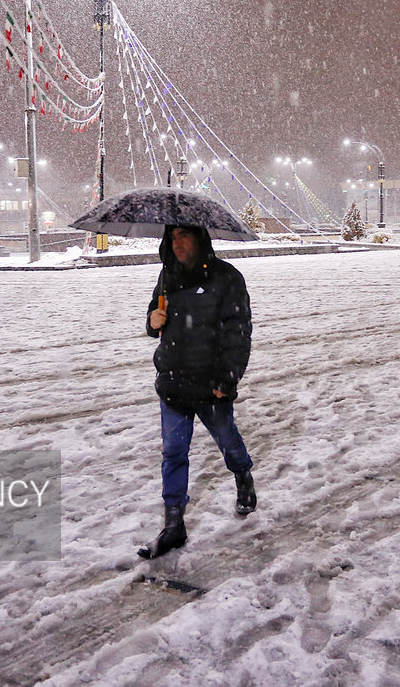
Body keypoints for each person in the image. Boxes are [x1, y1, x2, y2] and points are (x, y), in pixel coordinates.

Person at [139, 225, 255, 560]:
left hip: (210, 384)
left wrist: (227, 379)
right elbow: (153, 319)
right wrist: (153, 320)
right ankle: (173, 525)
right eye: (172, 237)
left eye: (183, 236)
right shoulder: (167, 275)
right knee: (173, 454)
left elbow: (238, 332)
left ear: (200, 239)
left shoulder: (227, 278)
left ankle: (243, 475)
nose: (176, 244)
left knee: (227, 441)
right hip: (173, 380)